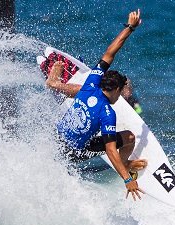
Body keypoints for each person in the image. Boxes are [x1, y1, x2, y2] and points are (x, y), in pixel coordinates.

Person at [46, 9, 146, 201]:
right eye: (121, 91)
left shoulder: (93, 80)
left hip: (55, 141)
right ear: (116, 89)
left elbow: (110, 52)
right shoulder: (107, 113)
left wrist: (130, 27)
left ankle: (55, 84)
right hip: (74, 152)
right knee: (129, 137)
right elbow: (110, 150)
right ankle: (125, 165)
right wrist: (127, 179)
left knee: (81, 90)